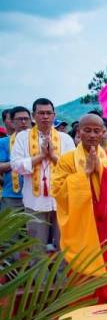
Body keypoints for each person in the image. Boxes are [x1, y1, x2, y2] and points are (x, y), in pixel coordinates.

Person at [52, 114, 107, 303]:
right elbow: (58, 191)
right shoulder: (67, 161)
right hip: (82, 226)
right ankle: (84, 309)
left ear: (104, 132)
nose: (92, 135)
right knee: (84, 271)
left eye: (97, 130)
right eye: (87, 130)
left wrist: (103, 171)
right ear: (79, 132)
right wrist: (85, 174)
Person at [10, 98, 76, 251]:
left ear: (54, 115)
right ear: (34, 116)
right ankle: (41, 276)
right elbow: (15, 165)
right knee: (36, 247)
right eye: (41, 113)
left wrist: (52, 156)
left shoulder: (65, 138)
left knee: (64, 246)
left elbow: (73, 167)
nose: (45, 117)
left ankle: (62, 276)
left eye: (48, 113)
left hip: (61, 200)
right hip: (35, 201)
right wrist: (40, 157)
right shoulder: (22, 137)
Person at [0, 107, 31, 210]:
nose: (23, 122)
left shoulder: (40, 141)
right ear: (12, 122)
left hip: (35, 196)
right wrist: (20, 163)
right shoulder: (3, 142)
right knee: (11, 226)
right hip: (12, 196)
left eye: (26, 119)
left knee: (35, 226)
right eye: (19, 119)